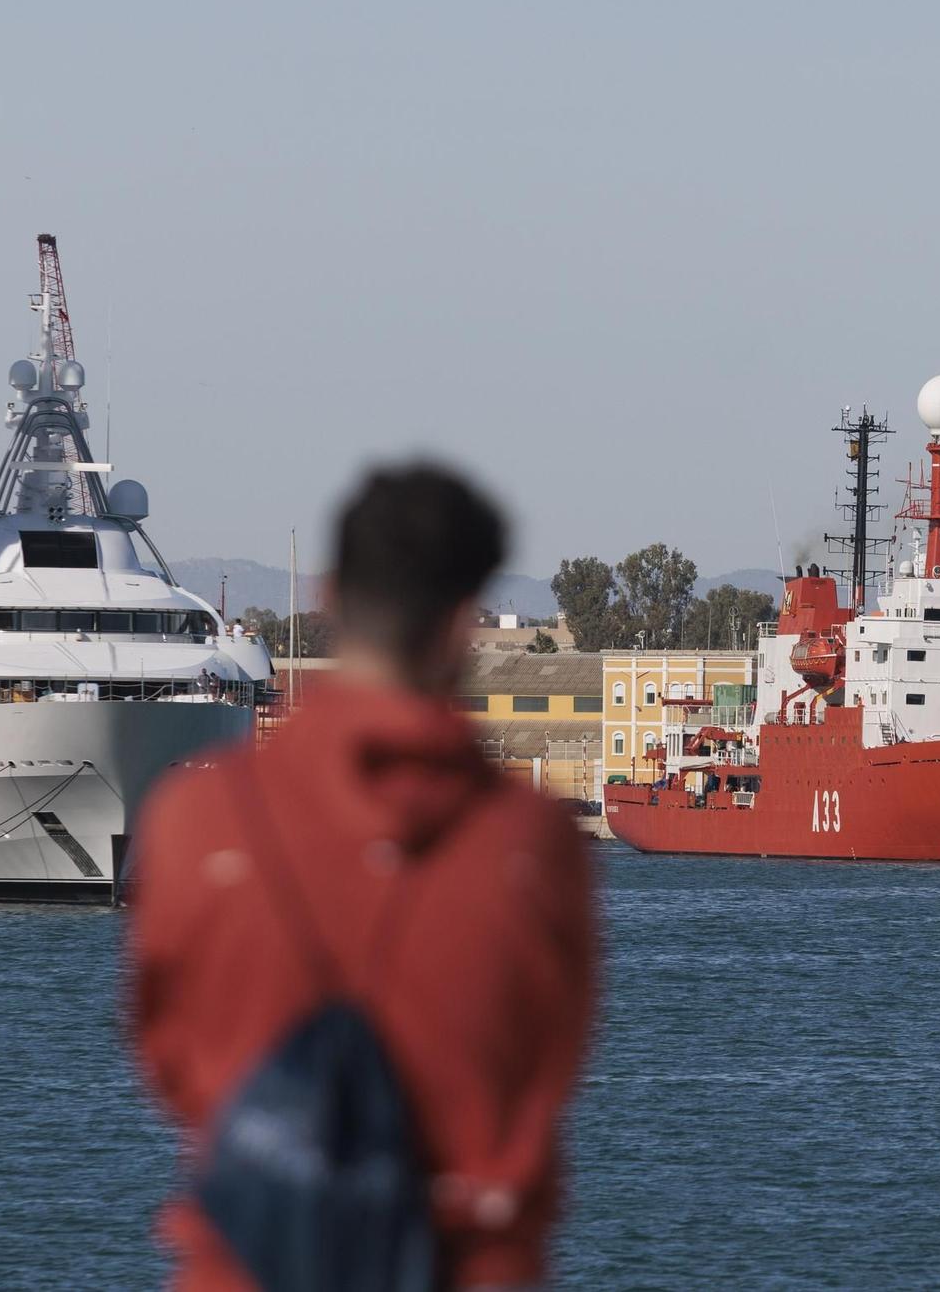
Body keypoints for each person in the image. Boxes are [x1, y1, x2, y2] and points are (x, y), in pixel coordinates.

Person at [128, 464, 598, 1291]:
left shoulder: (196, 820)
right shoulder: (533, 845)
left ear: (330, 595)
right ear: (465, 618)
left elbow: (165, 1052)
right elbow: (548, 1065)